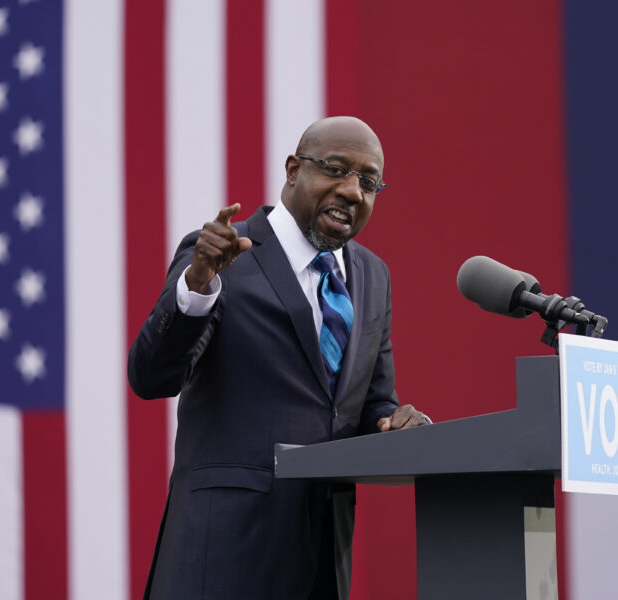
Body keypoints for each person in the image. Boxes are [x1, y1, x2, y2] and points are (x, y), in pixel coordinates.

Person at [128, 116, 428, 599]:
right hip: (223, 554)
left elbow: (370, 404)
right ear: (293, 170)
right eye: (336, 169)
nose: (353, 191)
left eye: (369, 182)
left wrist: (395, 422)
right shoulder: (224, 254)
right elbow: (150, 377)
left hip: (322, 559)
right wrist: (198, 285)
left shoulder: (373, 275)